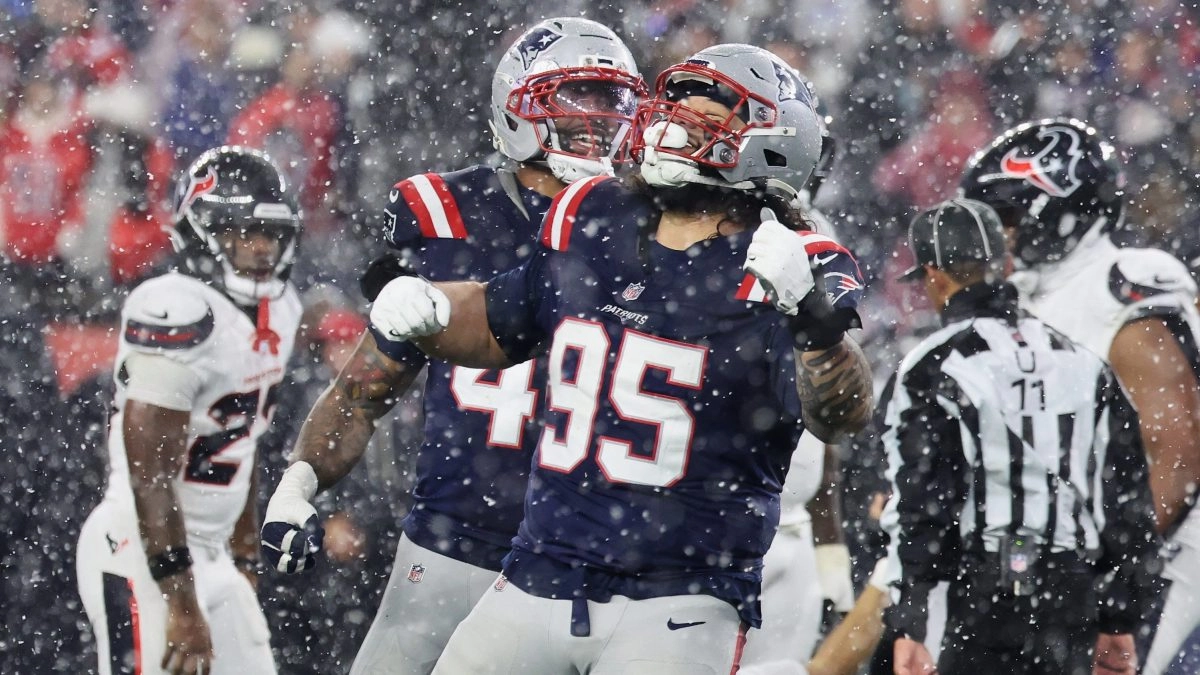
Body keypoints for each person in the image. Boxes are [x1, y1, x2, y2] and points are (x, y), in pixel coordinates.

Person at [368, 43, 874, 673]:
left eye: (700, 115)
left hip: (679, 599)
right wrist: (432, 309)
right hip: (537, 572)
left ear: (772, 141)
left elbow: (840, 415)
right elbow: (502, 322)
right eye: (670, 107)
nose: (668, 123)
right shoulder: (595, 213)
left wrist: (814, 323)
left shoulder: (794, 260)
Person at [259, 18, 646, 674]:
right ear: (517, 106)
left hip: (592, 554)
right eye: (575, 97)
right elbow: (367, 385)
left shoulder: (654, 224)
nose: (597, 119)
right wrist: (298, 484)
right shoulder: (446, 213)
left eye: (611, 100)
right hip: (455, 538)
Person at [959, 117, 1200, 674]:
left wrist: (1113, 565)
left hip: (1162, 555)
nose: (1001, 237)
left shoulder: (1118, 280)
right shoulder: (1031, 300)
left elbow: (1175, 451)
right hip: (1076, 554)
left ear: (1058, 206)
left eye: (1010, 216)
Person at [879, 198, 1160, 674]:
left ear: (934, 275)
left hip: (980, 593)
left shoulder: (934, 364)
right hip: (1071, 594)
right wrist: (1119, 615)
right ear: (1004, 266)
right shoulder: (1082, 360)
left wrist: (909, 618)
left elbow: (923, 501)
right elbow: (1125, 497)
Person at [76, 146, 303, 675]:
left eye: (270, 233)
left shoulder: (280, 311)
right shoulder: (176, 308)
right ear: (203, 230)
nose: (262, 248)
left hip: (212, 552)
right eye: (244, 232)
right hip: (139, 548)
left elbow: (243, 445)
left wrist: (244, 554)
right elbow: (149, 473)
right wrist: (180, 602)